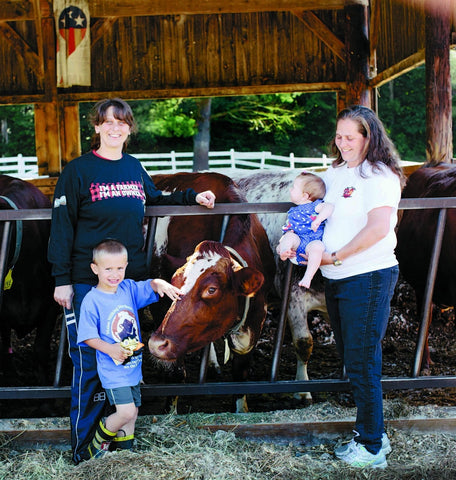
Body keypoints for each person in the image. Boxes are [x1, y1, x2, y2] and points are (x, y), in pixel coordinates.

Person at [48, 97, 216, 464]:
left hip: (126, 283)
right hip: (86, 283)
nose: (115, 128)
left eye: (121, 122)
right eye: (107, 122)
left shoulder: (133, 167)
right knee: (90, 363)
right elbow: (61, 228)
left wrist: (193, 196)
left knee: (124, 358)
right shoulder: (78, 171)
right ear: (95, 127)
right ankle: (85, 450)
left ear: (129, 128)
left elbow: (154, 197)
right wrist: (62, 279)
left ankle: (120, 446)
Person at [315, 105, 405, 469]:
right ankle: (372, 431)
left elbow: (378, 228)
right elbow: (315, 210)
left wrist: (335, 256)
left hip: (366, 275)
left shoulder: (379, 176)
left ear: (369, 137)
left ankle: (371, 448)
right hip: (337, 278)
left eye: (350, 137)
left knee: (363, 359)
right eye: (339, 136)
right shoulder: (337, 173)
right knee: (354, 359)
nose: (343, 143)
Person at [77, 240, 181, 458]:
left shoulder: (127, 289)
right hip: (114, 370)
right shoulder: (92, 300)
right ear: (95, 269)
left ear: (126, 266)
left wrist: (158, 283)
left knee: (132, 415)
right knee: (125, 412)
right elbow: (87, 336)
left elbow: (148, 286)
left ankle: (126, 456)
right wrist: (110, 349)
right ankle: (94, 448)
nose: (115, 274)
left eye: (120, 268)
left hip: (132, 367)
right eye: (108, 269)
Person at [276, 172, 333, 288]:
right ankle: (284, 251)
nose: (290, 190)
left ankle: (308, 276)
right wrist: (284, 241)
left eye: (294, 188)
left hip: (311, 242)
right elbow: (288, 229)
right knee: (288, 237)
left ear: (305, 196)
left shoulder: (314, 206)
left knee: (318, 247)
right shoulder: (293, 211)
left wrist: (318, 219)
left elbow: (329, 207)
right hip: (298, 241)